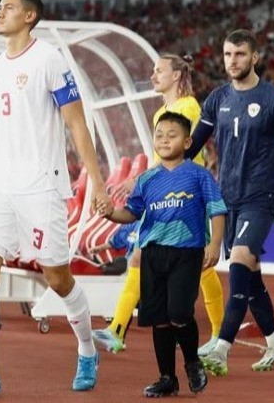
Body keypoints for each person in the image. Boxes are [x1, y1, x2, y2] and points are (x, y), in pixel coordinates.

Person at [0, 0, 112, 396]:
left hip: (41, 182)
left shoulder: (50, 59)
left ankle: (87, 349)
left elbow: (76, 123)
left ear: (30, 16)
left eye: (7, 7)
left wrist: (96, 182)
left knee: (56, 276)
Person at [188, 29, 274, 376]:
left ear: (255, 57)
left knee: (238, 262)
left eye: (240, 54)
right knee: (251, 278)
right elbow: (191, 147)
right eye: (228, 54)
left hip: (260, 197)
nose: (233, 61)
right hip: (226, 198)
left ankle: (221, 348)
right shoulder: (217, 99)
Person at [93, 54, 226, 357]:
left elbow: (182, 155)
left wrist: (147, 180)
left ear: (177, 75)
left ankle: (219, 333)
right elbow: (161, 159)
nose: (153, 76)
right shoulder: (161, 113)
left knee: (202, 267)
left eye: (159, 71)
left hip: (187, 199)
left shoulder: (190, 107)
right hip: (161, 198)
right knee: (139, 258)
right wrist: (142, 181)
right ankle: (117, 329)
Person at [102, 111, 226, 397]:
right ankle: (167, 378)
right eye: (159, 135)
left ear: (187, 141)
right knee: (159, 318)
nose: (164, 140)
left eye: (172, 135)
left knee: (180, 312)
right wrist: (110, 213)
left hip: (188, 252)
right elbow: (131, 213)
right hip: (153, 254)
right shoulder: (146, 179)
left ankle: (193, 362)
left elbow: (217, 210)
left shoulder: (199, 175)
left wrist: (215, 244)